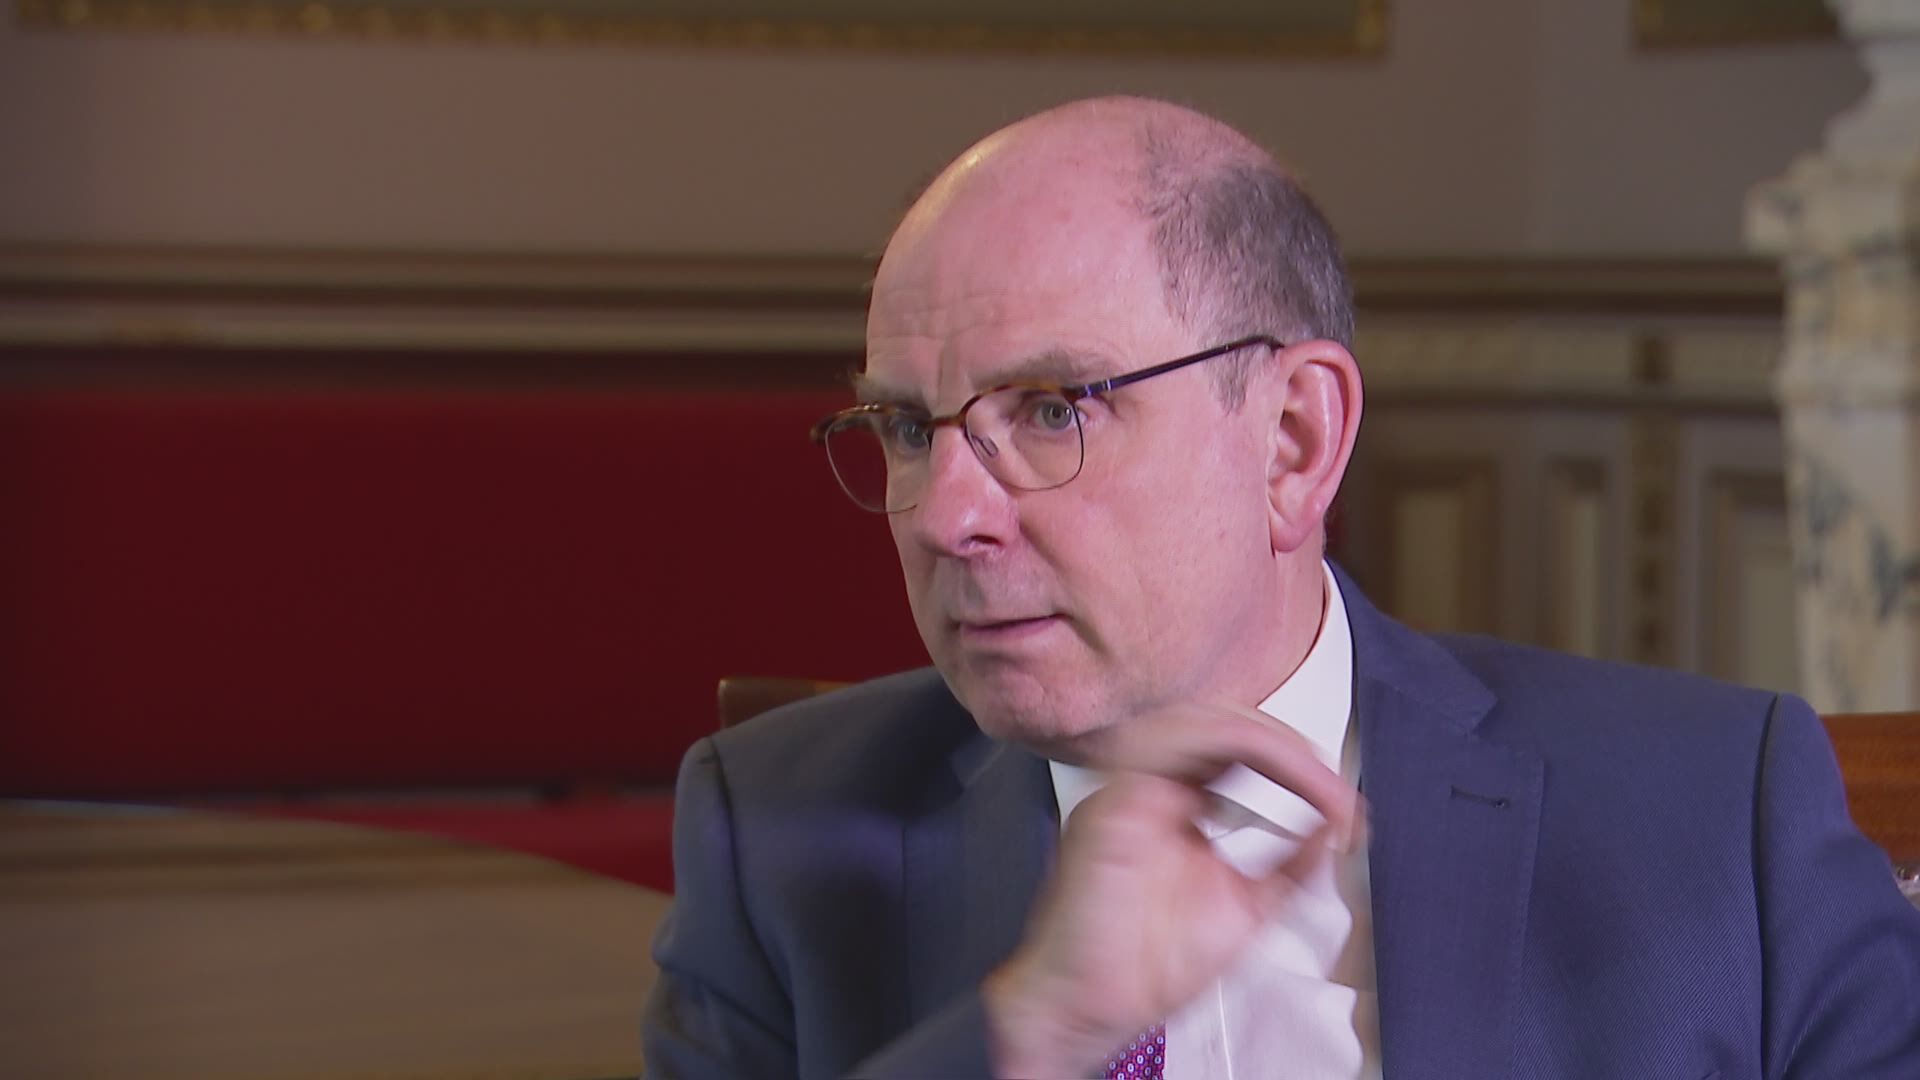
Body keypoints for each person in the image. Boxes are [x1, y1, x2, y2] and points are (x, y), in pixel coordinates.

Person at [640, 96, 1920, 1079]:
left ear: (1295, 441)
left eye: (1049, 409)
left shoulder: (1713, 815)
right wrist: (1030, 1031)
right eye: (908, 429)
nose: (945, 515)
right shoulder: (780, 836)